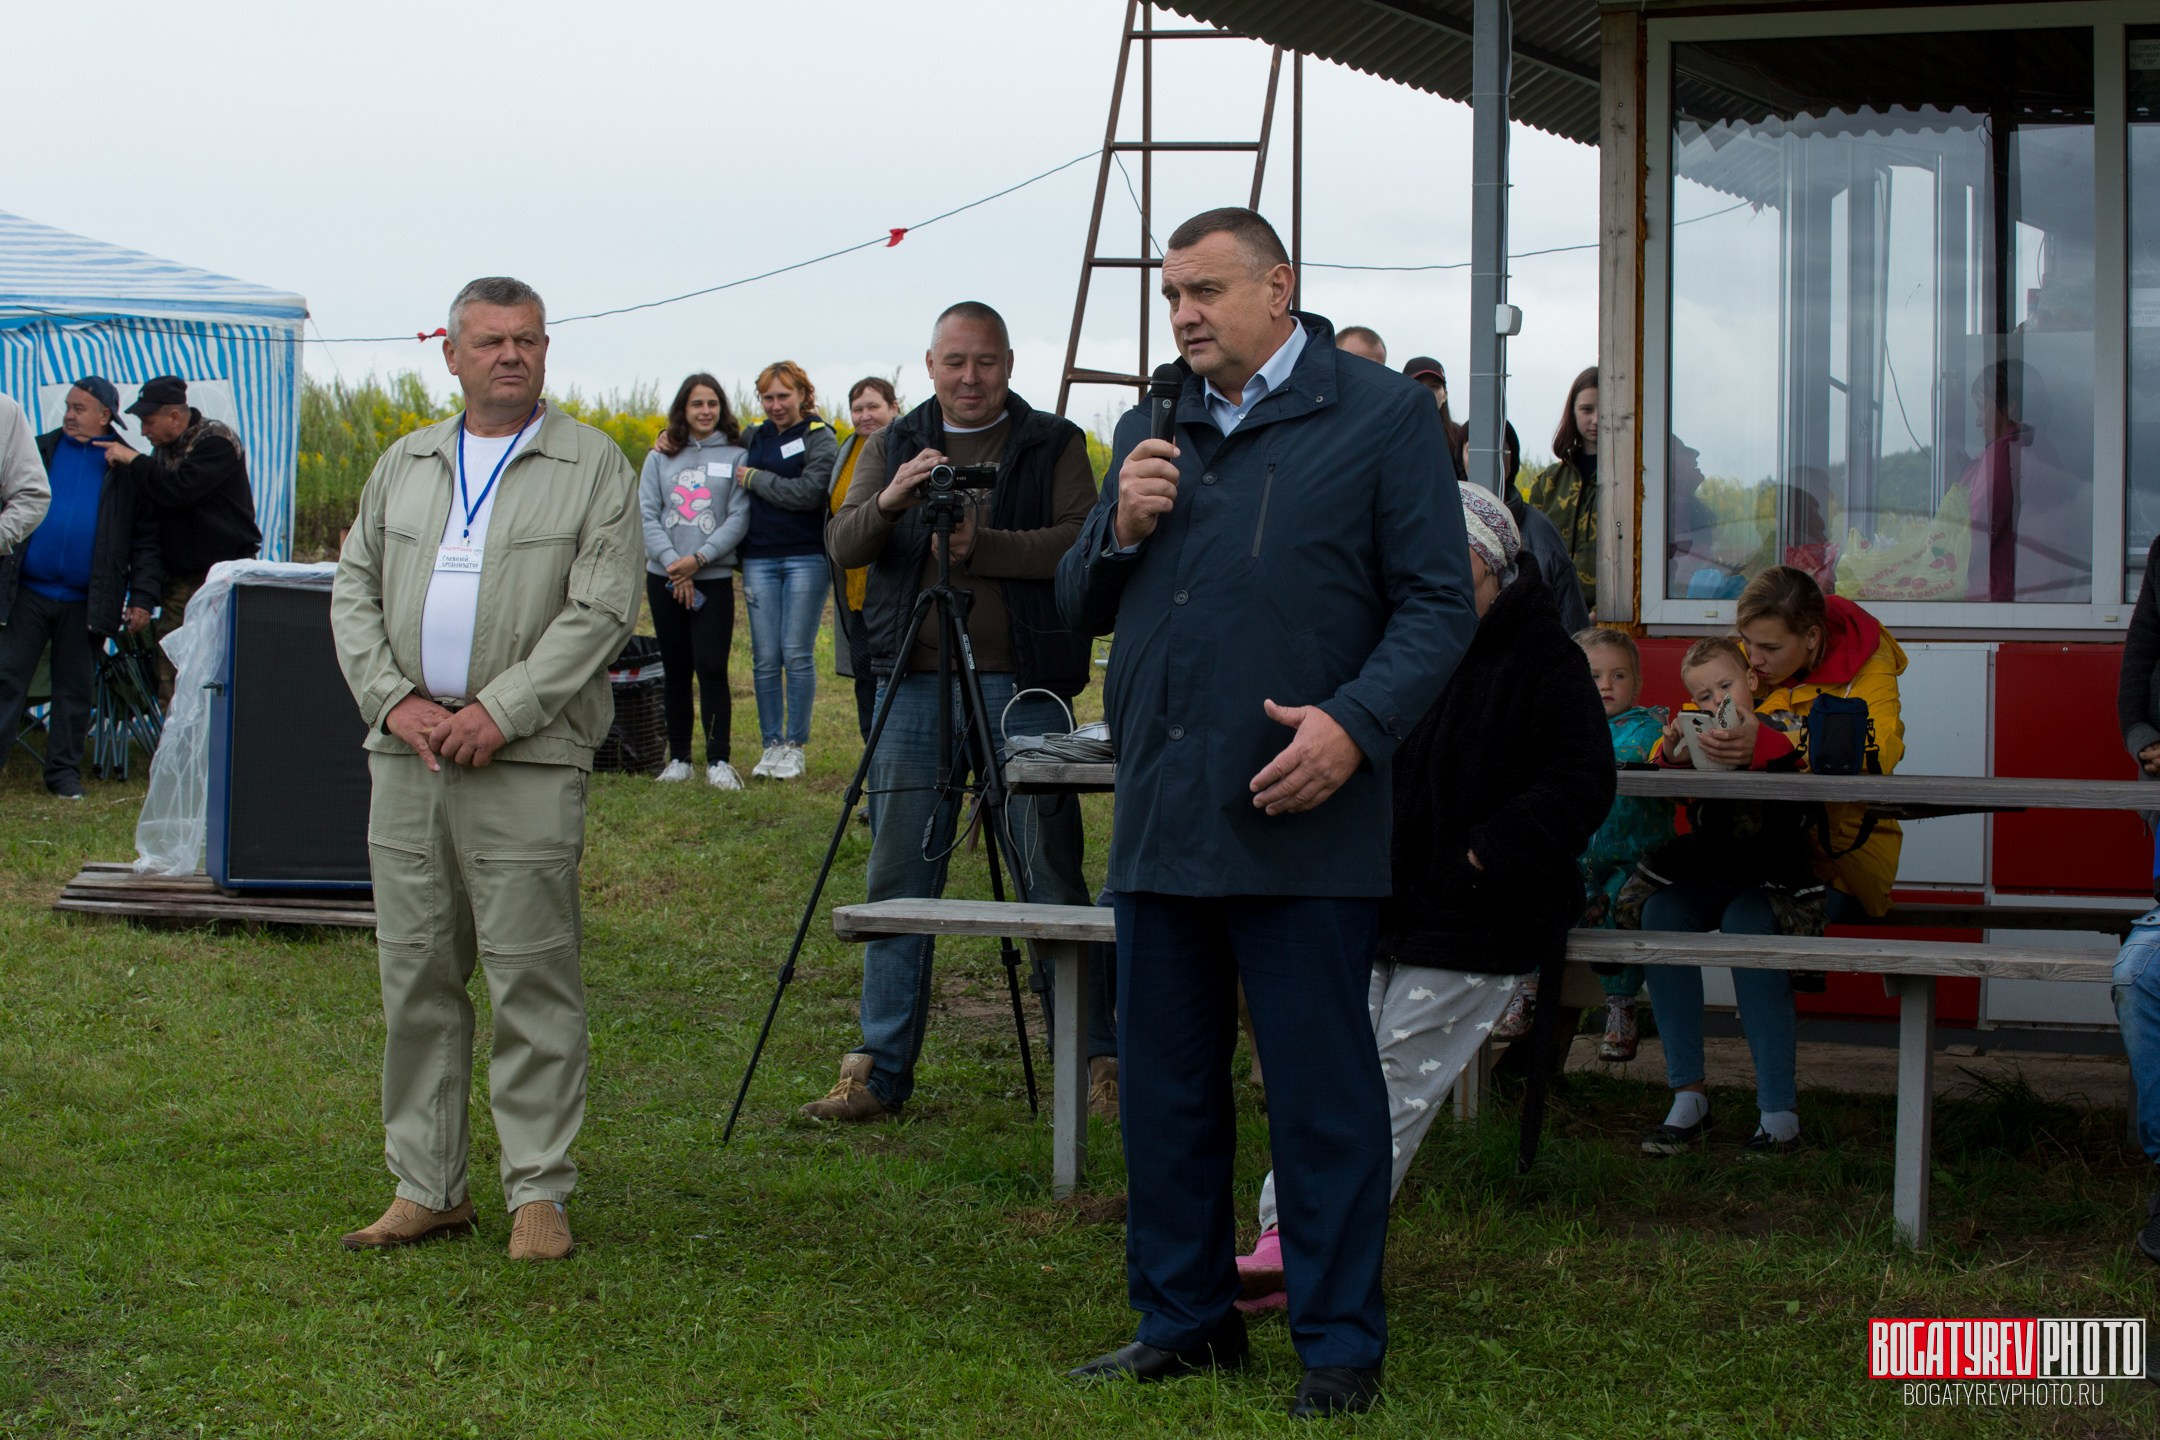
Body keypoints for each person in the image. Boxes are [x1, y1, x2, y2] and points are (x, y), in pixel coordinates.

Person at [1057, 207, 1477, 1419]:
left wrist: (1354, 725)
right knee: (1166, 1087)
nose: (1184, 313)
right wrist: (1119, 527)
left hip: (1304, 807)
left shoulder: (1383, 416)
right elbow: (1078, 607)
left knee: (1319, 1094)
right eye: (1171, 294)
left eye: (1206, 290)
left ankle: (1338, 1342)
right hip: (1164, 812)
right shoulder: (1152, 423)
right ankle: (1181, 1321)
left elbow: (1438, 607)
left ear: (1280, 287)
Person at [1234, 486, 1612, 1314]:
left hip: (1483, 916)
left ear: (1496, 571)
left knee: (1391, 1078)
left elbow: (1583, 782)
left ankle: (1295, 1249)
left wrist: (1489, 853)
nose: (1434, 587)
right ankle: (1283, 1242)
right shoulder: (1398, 645)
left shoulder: (1542, 658)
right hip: (1383, 903)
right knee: (1336, 1075)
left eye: (1455, 571)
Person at [330, 277, 641, 1262]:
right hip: (409, 753)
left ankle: (538, 1190)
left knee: (530, 974)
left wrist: (501, 713)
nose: (512, 355)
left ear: (546, 352)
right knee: (416, 972)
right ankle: (427, 1186)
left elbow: (599, 612)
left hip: (527, 759)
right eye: (492, 340)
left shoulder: (591, 465)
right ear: (451, 353)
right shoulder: (406, 464)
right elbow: (353, 591)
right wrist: (395, 699)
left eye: (529, 340)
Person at [819, 300, 1113, 1121]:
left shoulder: (1052, 443)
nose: (970, 377)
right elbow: (842, 544)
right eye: (954, 362)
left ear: (1009, 364)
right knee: (897, 873)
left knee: (1046, 865)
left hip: (1021, 682)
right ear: (930, 364)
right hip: (913, 680)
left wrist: (983, 547)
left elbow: (1080, 540)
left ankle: (1095, 1061)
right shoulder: (896, 441)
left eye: (984, 362)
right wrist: (890, 505)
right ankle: (877, 1068)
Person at [1636, 566, 1905, 1159]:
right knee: (1661, 913)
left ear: (1811, 637)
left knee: (1750, 922)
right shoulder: (1754, 651)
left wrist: (1774, 741)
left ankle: (1778, 1116)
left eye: (1768, 649)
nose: (1751, 661)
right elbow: (1698, 711)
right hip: (1744, 853)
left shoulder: (1868, 668)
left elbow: (1875, 752)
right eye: (1746, 644)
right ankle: (1689, 1098)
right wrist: (1675, 749)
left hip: (1834, 860)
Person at [0, 380, 152, 800]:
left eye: (80, 408)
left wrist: (141, 597)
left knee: (74, 689)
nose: (69, 414)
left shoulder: (126, 466)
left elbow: (145, 539)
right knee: (6, 678)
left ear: (105, 414)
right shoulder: (41, 448)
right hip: (25, 591)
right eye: (68, 406)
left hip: (87, 599)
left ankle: (63, 775)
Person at [1539, 628, 1673, 1062]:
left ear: (1636, 684)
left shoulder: (1649, 731)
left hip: (1631, 859)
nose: (1605, 685)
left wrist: (1673, 747)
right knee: (1531, 895)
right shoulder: (1556, 729)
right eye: (1593, 674)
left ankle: (1621, 1008)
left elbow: (1666, 756)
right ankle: (1524, 990)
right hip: (1570, 858)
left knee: (1622, 905)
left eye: (1618, 676)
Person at [96, 375, 261, 705]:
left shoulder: (217, 441)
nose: (143, 431)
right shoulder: (161, 453)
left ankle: (228, 743)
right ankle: (175, 743)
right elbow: (152, 515)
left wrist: (132, 458)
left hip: (219, 577)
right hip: (178, 580)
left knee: (226, 662)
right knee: (173, 664)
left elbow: (180, 489)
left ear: (174, 416)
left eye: (148, 421)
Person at [639, 372, 749, 788]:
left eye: (712, 404)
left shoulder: (737, 455)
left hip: (713, 577)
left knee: (711, 665)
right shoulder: (660, 456)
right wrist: (675, 564)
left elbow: (738, 516)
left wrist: (698, 559)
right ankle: (680, 758)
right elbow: (647, 513)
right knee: (677, 667)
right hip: (664, 578)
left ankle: (718, 760)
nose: (705, 411)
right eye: (697, 404)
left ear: (721, 409)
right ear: (683, 410)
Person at [735, 361, 837, 781]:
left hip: (805, 558)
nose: (776, 405)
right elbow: (706, 442)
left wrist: (756, 479)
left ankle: (795, 746)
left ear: (802, 395)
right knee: (764, 657)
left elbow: (811, 493)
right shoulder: (752, 435)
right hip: (758, 558)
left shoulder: (819, 437)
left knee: (796, 654)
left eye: (783, 396)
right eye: (768, 397)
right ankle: (770, 744)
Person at [830, 377, 900, 742]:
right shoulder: (847, 449)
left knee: (892, 676)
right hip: (854, 589)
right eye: (858, 408)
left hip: (890, 586)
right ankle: (872, 764)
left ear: (894, 407)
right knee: (864, 673)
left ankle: (894, 755)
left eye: (874, 406)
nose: (865, 415)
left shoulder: (901, 446)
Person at [1498, 421, 1591, 636]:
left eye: (1503, 450)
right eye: (1470, 449)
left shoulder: (1541, 532)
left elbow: (1572, 626)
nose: (1489, 458)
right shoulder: (1442, 527)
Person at [1519, 365, 1599, 614]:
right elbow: (1530, 553)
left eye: (1606, 410)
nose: (1596, 419)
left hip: (1612, 619)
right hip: (1553, 616)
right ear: (1573, 412)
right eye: (1587, 409)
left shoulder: (1629, 482)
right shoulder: (1548, 483)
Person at [1401, 355, 1468, 483]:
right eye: (1417, 385)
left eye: (1434, 386)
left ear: (1445, 395)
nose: (1427, 392)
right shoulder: (1389, 435)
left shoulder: (1460, 437)